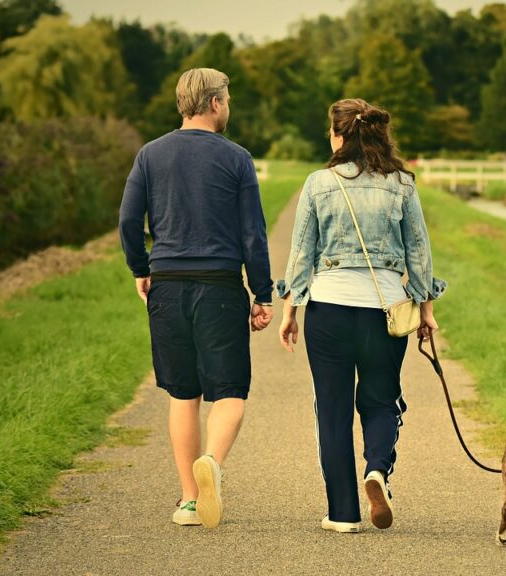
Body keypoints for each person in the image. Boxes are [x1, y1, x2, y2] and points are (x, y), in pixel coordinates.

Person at [276, 99, 446, 533]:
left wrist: (290, 311)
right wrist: (426, 311)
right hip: (385, 311)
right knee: (381, 399)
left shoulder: (318, 184)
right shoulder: (402, 185)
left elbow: (301, 255)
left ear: (339, 135)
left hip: (328, 309)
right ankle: (377, 470)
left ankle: (343, 513)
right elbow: (419, 254)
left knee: (332, 410)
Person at [118, 68, 274, 529]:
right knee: (229, 393)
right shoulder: (237, 159)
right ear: (213, 104)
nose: (228, 107)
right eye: (226, 99)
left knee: (183, 395)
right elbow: (253, 234)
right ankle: (212, 462)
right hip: (219, 287)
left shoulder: (150, 155)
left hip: (166, 284)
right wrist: (261, 293)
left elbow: (129, 221)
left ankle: (189, 499)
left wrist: (140, 269)